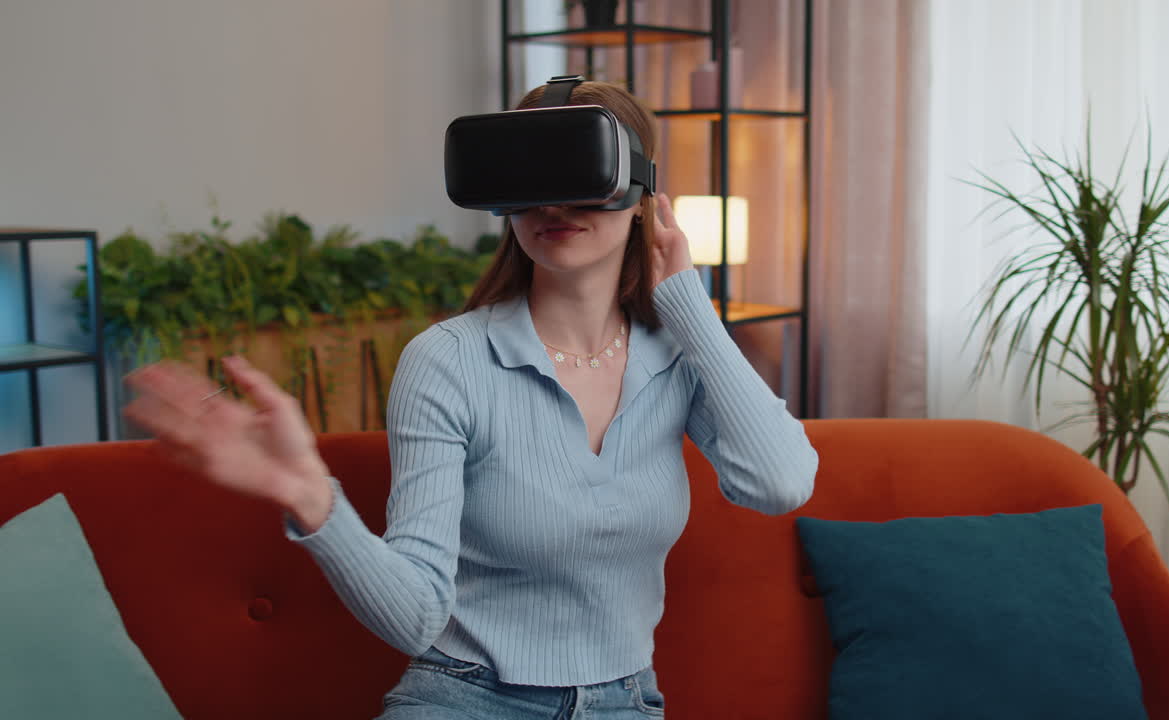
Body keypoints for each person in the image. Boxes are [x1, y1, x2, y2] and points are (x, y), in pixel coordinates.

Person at [124, 80, 818, 719]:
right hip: (464, 698)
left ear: (640, 190)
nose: (551, 202)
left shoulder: (678, 357)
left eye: (575, 169)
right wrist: (310, 495)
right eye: (525, 172)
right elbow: (417, 617)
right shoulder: (449, 361)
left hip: (624, 702)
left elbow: (780, 481)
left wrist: (687, 306)